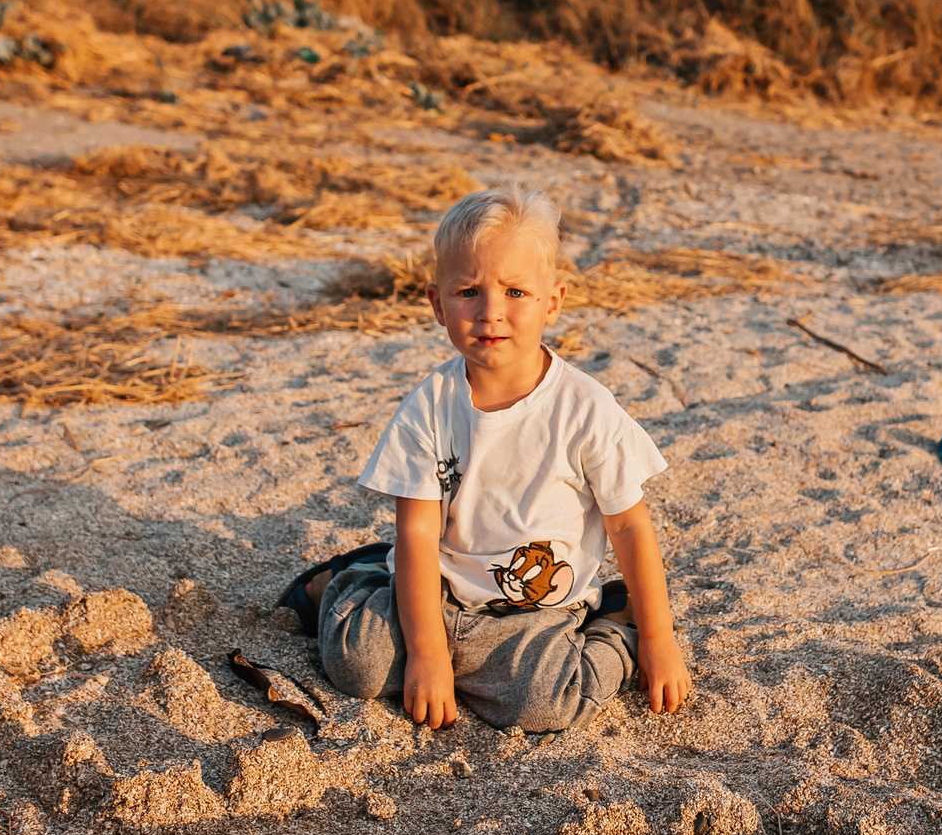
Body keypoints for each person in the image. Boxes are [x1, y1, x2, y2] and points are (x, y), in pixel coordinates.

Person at [281, 185, 691, 730]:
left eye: (516, 292)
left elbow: (630, 526)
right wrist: (426, 655)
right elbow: (420, 535)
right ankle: (348, 577)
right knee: (360, 667)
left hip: (537, 612)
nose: (491, 312)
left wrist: (659, 639)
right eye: (468, 291)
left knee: (545, 705)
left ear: (554, 300)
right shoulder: (430, 404)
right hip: (439, 585)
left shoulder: (585, 408)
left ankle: (618, 618)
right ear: (436, 303)